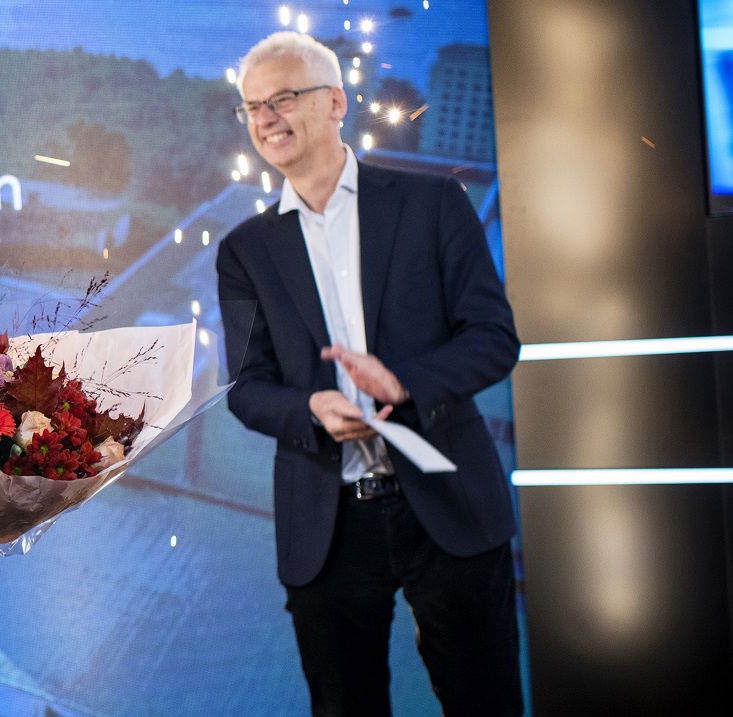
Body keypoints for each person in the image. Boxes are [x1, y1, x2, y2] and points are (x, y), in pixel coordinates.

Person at [216, 32, 522, 717]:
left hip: (447, 503)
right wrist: (313, 408)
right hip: (327, 524)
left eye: (282, 98)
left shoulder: (432, 204)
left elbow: (494, 339)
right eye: (250, 106)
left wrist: (403, 381)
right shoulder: (243, 251)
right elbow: (247, 388)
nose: (265, 118)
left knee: (486, 700)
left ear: (334, 104)